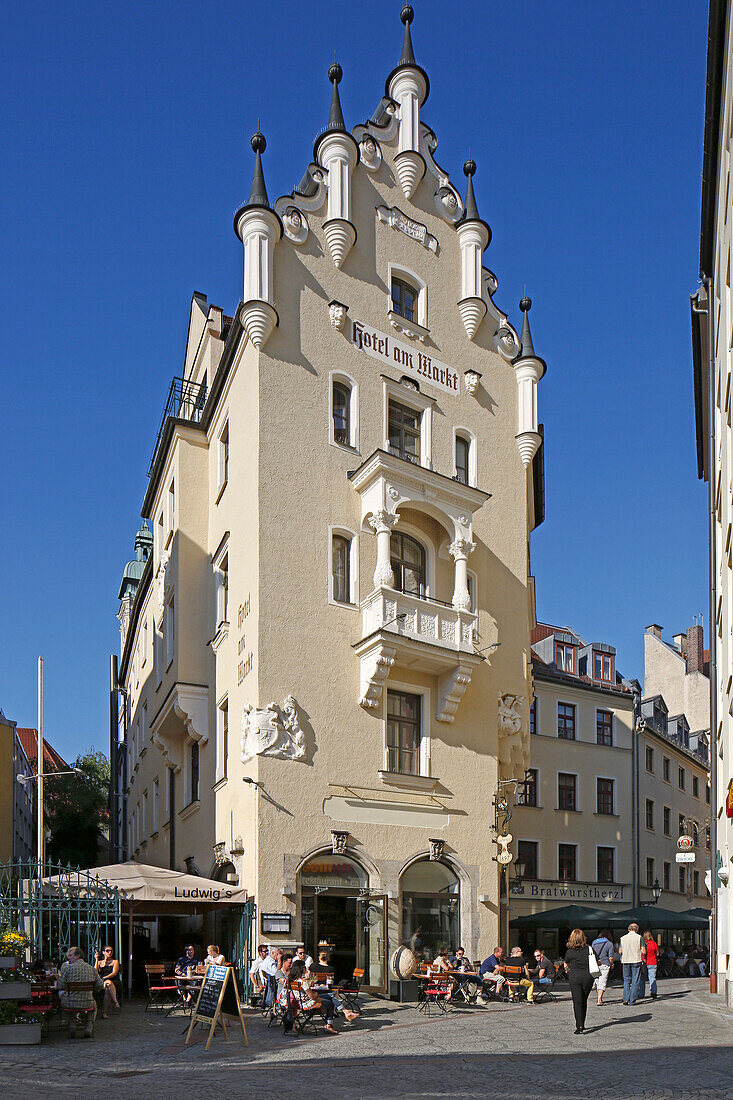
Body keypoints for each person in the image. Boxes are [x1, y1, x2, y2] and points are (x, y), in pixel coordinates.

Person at [293, 959, 358, 1034]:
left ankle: (345, 1011)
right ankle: (329, 1025)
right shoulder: (303, 982)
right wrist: (316, 994)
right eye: (304, 967)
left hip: (300, 1002)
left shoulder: (294, 981)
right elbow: (312, 996)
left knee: (331, 995)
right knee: (330, 1003)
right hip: (308, 1003)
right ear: (301, 969)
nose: (306, 969)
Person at [58, 947, 104, 1038]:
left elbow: (60, 985)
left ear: (78, 956)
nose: (69, 958)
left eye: (71, 955)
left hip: (70, 1002)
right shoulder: (92, 969)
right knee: (94, 1007)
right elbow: (101, 985)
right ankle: (89, 1026)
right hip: (88, 1001)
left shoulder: (67, 969)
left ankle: (72, 1023)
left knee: (63, 1002)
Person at [564, 929, 594, 1034]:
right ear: (583, 938)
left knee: (577, 1002)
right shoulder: (589, 949)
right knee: (584, 1000)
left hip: (574, 976)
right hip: (587, 976)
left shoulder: (570, 951)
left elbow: (566, 964)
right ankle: (583, 1023)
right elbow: (597, 961)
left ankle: (579, 1026)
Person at [94, 945, 122, 1018]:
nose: (110, 952)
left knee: (108, 983)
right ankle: (115, 1002)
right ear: (103, 952)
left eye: (111, 951)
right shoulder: (100, 962)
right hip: (103, 983)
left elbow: (114, 973)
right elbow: (95, 972)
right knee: (107, 988)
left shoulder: (115, 961)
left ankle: (105, 1012)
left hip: (114, 981)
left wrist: (104, 978)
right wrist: (96, 960)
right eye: (107, 951)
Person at [619, 923, 644, 1005]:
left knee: (626, 980)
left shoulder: (622, 938)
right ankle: (632, 1000)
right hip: (636, 960)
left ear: (628, 929)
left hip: (625, 960)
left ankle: (625, 998)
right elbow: (644, 951)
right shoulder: (639, 937)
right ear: (636, 930)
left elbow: (620, 951)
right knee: (635, 980)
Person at [591, 930, 614, 1006]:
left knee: (597, 982)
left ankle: (599, 998)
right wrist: (611, 964)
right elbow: (610, 957)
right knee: (602, 982)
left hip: (595, 964)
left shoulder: (594, 942)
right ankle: (599, 1000)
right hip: (605, 964)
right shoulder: (609, 944)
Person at [250, 944, 277, 1008]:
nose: (267, 953)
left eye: (267, 951)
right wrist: (257, 986)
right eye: (265, 951)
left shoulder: (270, 960)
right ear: (260, 953)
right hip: (267, 983)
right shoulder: (257, 962)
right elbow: (251, 974)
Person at [641, 930, 659, 999]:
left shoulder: (642, 943)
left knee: (642, 979)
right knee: (652, 978)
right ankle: (653, 992)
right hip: (653, 962)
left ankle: (641, 994)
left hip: (644, 963)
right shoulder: (654, 943)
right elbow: (657, 953)